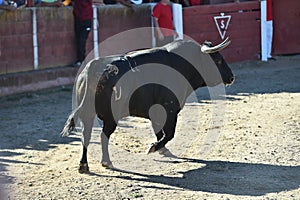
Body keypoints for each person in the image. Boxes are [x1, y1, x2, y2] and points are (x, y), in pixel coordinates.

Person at [72, 0, 93, 67]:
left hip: (86, 19)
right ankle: (80, 60)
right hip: (78, 19)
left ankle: (81, 60)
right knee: (78, 40)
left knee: (82, 40)